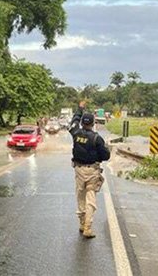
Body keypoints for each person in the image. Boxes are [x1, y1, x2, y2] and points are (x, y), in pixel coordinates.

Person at [68, 101, 111, 238]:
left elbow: (74, 120)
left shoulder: (75, 133)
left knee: (80, 196)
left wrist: (80, 108)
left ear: (82, 123)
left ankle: (81, 223)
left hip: (79, 170)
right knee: (90, 198)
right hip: (92, 171)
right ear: (93, 124)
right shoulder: (97, 138)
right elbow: (105, 156)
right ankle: (88, 226)